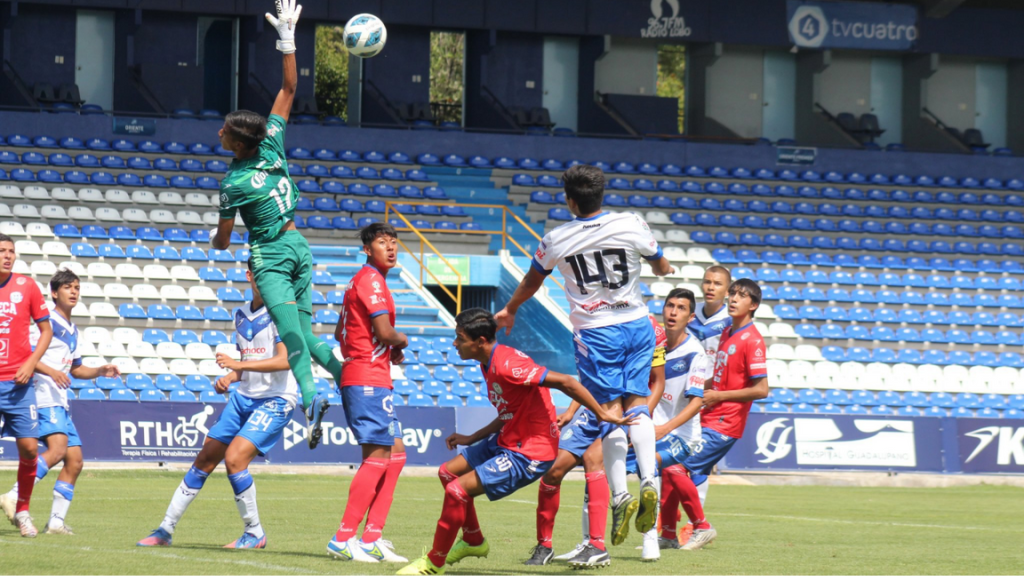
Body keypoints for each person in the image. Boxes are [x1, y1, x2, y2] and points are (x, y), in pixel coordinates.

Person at [495, 164, 675, 548]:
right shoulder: (632, 224)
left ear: (570, 200)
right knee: (638, 405)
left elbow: (531, 280)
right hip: (638, 324)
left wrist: (510, 308)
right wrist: (663, 266)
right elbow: (660, 265)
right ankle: (647, 478)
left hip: (596, 334)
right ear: (602, 194)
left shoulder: (557, 239)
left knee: (608, 410)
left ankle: (621, 495)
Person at [396, 309, 634, 575]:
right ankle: (473, 540)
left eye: (460, 338)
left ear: (481, 341)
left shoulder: (509, 365)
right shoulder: (487, 363)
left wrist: (602, 414)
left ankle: (433, 563)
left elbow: (566, 381)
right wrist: (473, 437)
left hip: (530, 452)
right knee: (447, 473)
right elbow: (510, 410)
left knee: (456, 491)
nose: (455, 343)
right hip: (509, 437)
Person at [210, 0, 340, 449]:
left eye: (225, 132)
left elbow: (225, 243)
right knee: (305, 334)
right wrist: (287, 38)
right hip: (300, 243)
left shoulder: (233, 183)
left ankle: (311, 399)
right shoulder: (271, 144)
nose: (219, 135)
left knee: (290, 337)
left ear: (239, 143)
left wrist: (215, 236)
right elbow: (289, 87)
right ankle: (348, 379)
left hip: (270, 253)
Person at [137, 259, 300, 549]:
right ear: (250, 275)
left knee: (235, 459)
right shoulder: (240, 316)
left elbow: (285, 360)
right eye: (260, 274)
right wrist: (231, 376)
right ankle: (164, 529)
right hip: (244, 398)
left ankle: (254, 532)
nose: (265, 279)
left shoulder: (282, 314)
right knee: (205, 458)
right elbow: (248, 365)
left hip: (275, 399)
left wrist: (239, 363)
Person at [527, 313, 667, 568]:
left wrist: (637, 419)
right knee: (554, 470)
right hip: (592, 408)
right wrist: (570, 411)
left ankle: (619, 541)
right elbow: (590, 378)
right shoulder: (595, 322)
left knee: (594, 461)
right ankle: (553, 545)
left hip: (623, 412)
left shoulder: (646, 326)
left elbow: (657, 380)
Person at [0, 269, 120, 535]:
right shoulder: (47, 322)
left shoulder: (73, 329)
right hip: (41, 394)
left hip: (60, 400)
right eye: (68, 287)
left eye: (77, 287)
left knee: (75, 460)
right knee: (56, 450)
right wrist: (52, 372)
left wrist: (100, 370)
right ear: (54, 293)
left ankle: (55, 522)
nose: (74, 291)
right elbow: (27, 356)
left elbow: (76, 369)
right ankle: (13, 494)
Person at [657, 279, 770, 551]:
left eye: (741, 297)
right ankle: (669, 534)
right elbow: (721, 379)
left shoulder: (752, 340)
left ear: (753, 306)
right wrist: (699, 388)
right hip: (708, 416)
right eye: (732, 294)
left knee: (675, 468)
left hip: (725, 422)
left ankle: (702, 527)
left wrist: (718, 397)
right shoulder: (728, 332)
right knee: (670, 470)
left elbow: (761, 389)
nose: (733, 299)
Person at [326, 223, 408, 564]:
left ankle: (372, 537)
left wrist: (386, 348)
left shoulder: (365, 281)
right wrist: (400, 342)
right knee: (377, 456)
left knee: (396, 454)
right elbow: (386, 332)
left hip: (373, 376)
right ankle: (343, 537)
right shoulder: (371, 280)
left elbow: (338, 330)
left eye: (393, 242)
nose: (390, 248)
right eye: (381, 243)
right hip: (367, 379)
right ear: (367, 249)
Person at [631, 288, 714, 560]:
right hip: (656, 429)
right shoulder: (654, 345)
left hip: (683, 435)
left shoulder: (695, 354)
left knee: (659, 465)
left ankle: (701, 527)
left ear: (690, 317)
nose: (673, 312)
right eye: (670, 306)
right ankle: (667, 535)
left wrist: (665, 428)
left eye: (680, 308)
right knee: (664, 472)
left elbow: (695, 402)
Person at [0, 233, 54, 537]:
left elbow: (45, 331)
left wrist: (31, 362)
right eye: (2, 251)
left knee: (31, 450)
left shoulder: (27, 286)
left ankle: (22, 510)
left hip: (20, 384)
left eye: (11, 251)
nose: (8, 256)